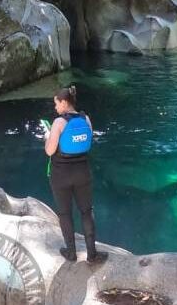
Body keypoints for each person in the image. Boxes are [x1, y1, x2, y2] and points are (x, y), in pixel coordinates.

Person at [44, 86, 108, 264]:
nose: (56, 108)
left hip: (61, 176)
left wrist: (47, 137)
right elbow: (86, 143)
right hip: (83, 173)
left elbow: (50, 151)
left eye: (56, 104)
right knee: (86, 212)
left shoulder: (59, 123)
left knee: (65, 214)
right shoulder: (86, 118)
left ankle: (71, 253)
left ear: (64, 103)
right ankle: (92, 254)